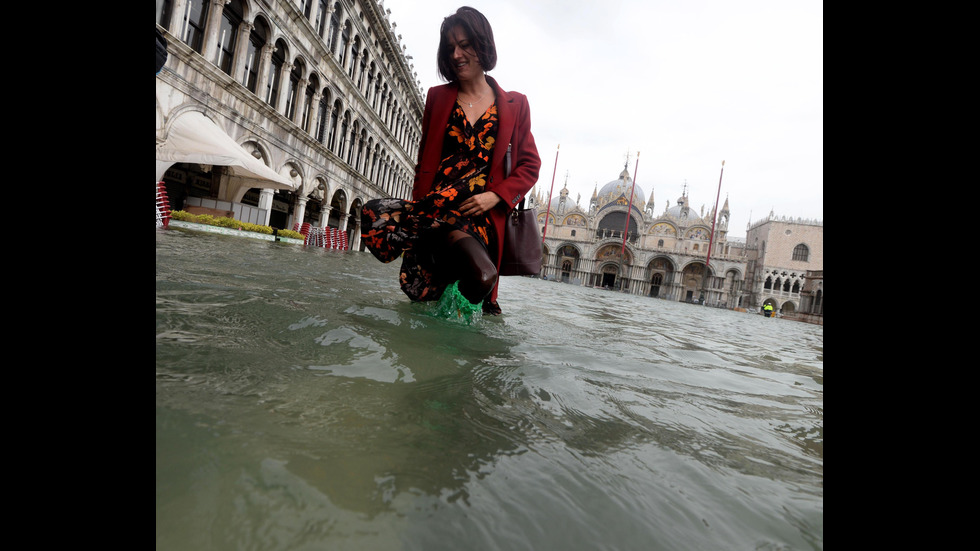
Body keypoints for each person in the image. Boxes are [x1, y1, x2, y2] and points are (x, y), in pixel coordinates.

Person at [361, 6, 541, 316]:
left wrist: (495, 196)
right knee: (375, 216)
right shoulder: (437, 97)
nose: (457, 54)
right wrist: (421, 204)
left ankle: (451, 323)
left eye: (465, 45)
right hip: (439, 210)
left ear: (482, 45)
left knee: (482, 278)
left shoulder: (515, 103)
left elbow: (530, 164)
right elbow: (425, 160)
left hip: (482, 214)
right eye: (451, 48)